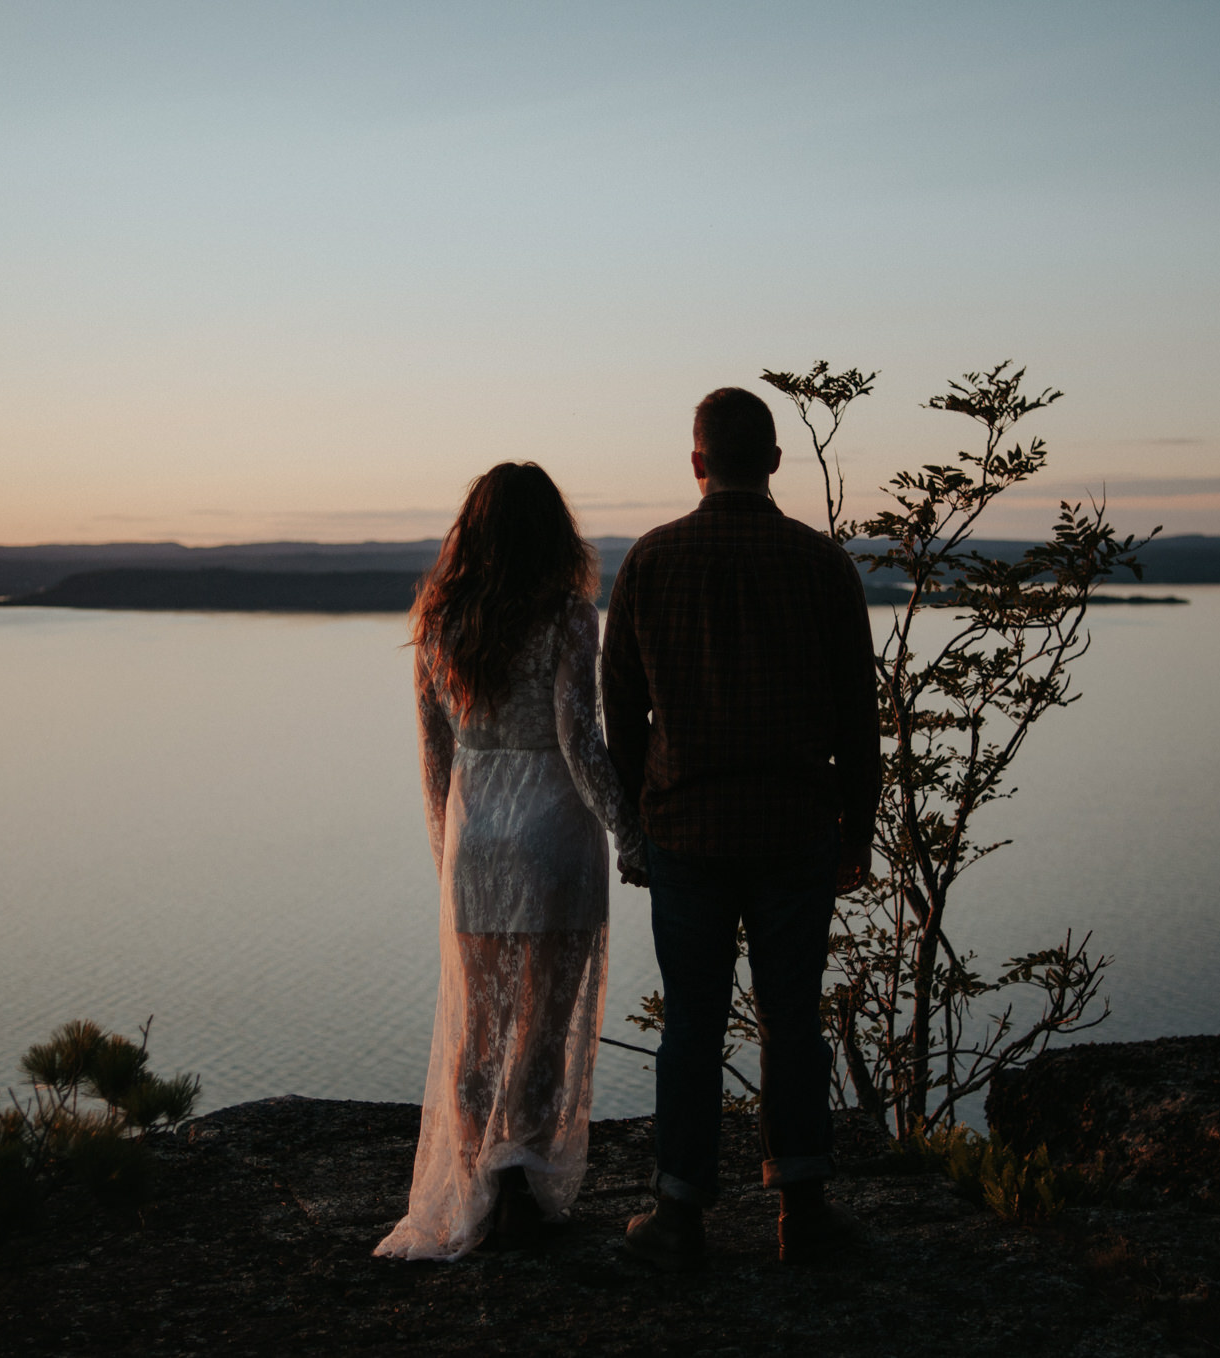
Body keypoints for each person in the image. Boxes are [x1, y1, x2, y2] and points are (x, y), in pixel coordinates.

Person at [601, 386, 879, 1271]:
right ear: (773, 464)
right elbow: (858, 716)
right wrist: (858, 832)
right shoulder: (821, 564)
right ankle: (802, 1213)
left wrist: (642, 820)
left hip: (686, 833)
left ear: (696, 463)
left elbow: (621, 714)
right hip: (797, 831)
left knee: (692, 1022)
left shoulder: (650, 561)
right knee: (792, 1019)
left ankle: (679, 1216)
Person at [375, 462, 645, 1262]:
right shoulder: (567, 617)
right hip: (554, 833)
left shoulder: (437, 622)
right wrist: (629, 833)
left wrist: (446, 858)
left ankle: (477, 1186)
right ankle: (521, 1185)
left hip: (476, 842)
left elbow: (433, 763)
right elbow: (577, 740)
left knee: (479, 1030)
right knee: (543, 1024)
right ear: (553, 532)